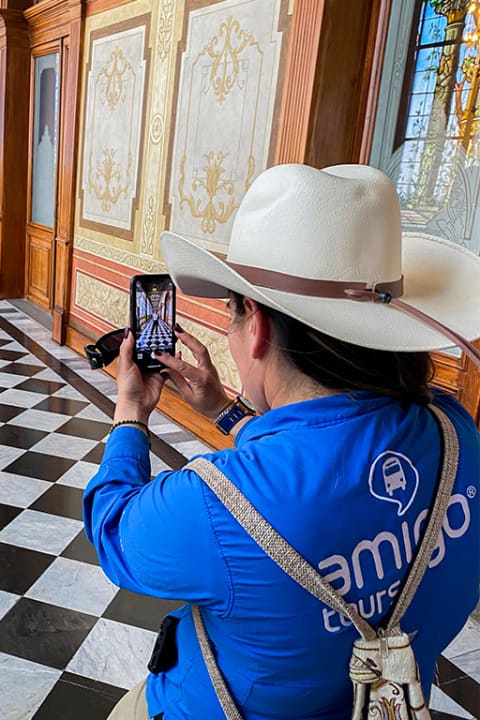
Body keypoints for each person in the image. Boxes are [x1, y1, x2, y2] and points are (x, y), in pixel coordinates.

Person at [83, 164, 480, 720]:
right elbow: (317, 467)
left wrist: (130, 413)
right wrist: (225, 411)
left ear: (260, 327)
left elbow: (114, 532)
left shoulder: (211, 504)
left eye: (231, 312)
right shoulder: (457, 434)